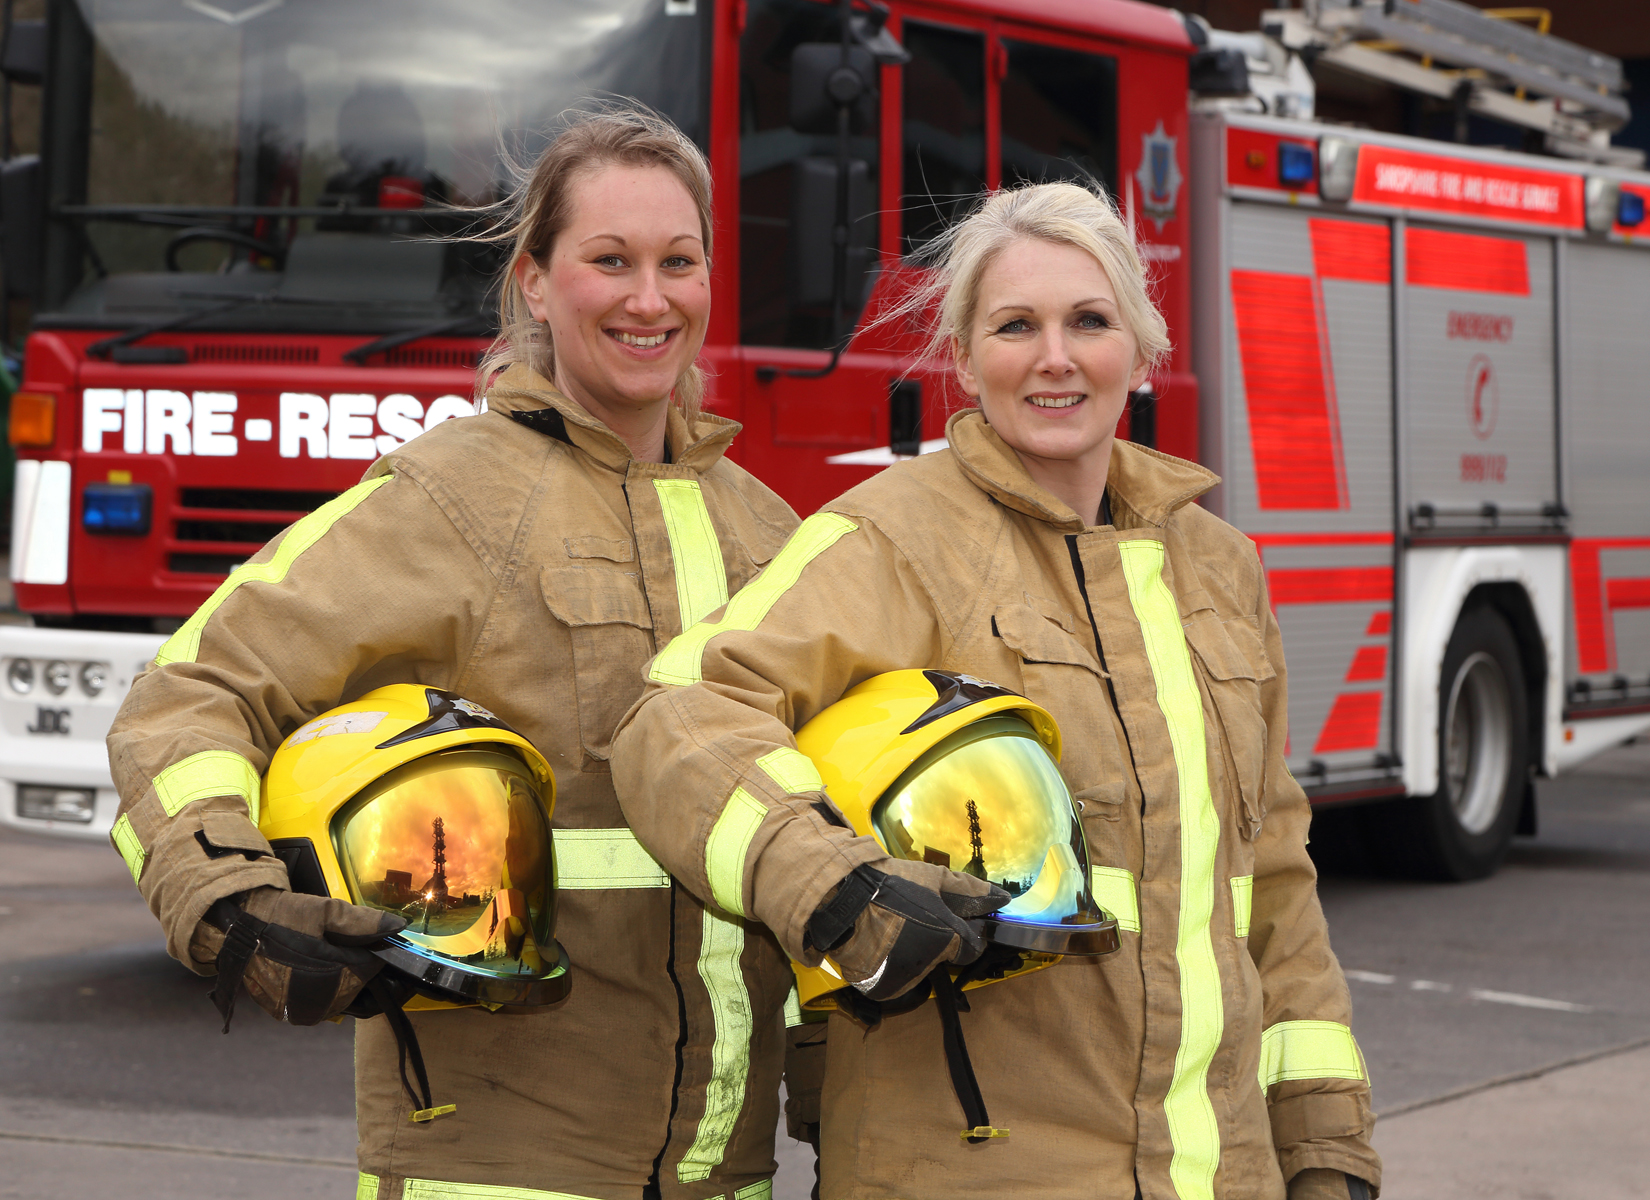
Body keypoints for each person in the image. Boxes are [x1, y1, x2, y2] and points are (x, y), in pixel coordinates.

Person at [612, 181, 1382, 1200]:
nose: (1055, 357)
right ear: (966, 359)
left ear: (1141, 350)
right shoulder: (893, 538)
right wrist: (829, 884)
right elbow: (677, 717)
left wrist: (1325, 1147)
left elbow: (1273, 881)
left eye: (1089, 322)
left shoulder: (1219, 569)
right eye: (1016, 325)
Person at [106, 107, 804, 1200]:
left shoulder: (769, 531)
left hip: (730, 1170)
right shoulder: (448, 501)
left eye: (680, 261)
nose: (648, 297)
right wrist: (230, 900)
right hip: (500, 1164)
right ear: (533, 281)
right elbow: (189, 694)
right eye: (608, 261)